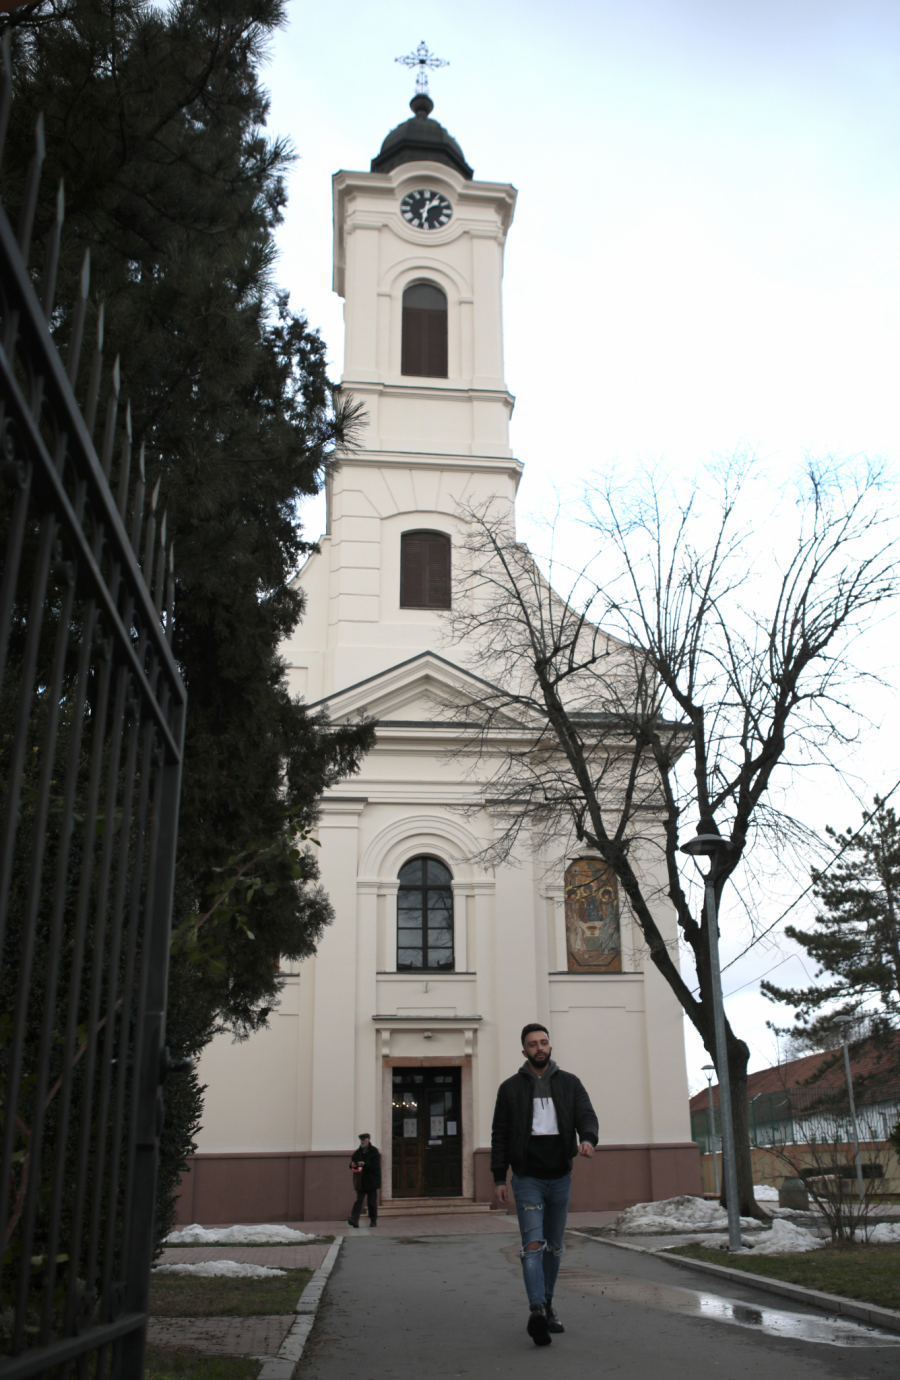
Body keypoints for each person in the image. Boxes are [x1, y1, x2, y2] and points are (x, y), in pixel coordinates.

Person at [491, 1023, 598, 1347]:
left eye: (544, 1042)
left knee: (554, 1246)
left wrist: (589, 1139)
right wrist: (499, 1176)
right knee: (533, 1246)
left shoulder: (569, 1083)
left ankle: (548, 1306)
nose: (540, 1048)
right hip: (527, 1179)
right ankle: (537, 1309)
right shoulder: (510, 1089)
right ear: (524, 1051)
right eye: (533, 1044)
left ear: (550, 1047)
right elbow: (500, 1134)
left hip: (560, 1178)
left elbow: (586, 1115)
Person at [347, 1133, 381, 1228]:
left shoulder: (374, 1151)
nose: (362, 1142)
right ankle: (354, 1219)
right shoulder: (358, 1152)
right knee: (359, 1200)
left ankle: (373, 1220)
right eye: (361, 1140)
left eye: (364, 1140)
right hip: (360, 1181)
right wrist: (352, 1164)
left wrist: (365, 1164)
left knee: (371, 1202)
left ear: (368, 1141)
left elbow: (376, 1165)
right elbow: (353, 1162)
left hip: (371, 1181)